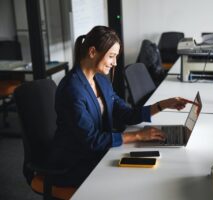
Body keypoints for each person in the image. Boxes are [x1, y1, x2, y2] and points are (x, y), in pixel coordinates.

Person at [48, 26, 192, 187]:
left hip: (100, 152)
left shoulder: (100, 79)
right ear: (92, 52)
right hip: (75, 163)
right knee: (134, 181)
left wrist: (163, 104)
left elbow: (126, 113)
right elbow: (91, 141)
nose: (115, 63)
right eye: (111, 56)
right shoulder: (71, 89)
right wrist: (137, 136)